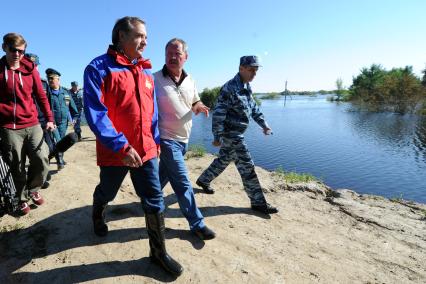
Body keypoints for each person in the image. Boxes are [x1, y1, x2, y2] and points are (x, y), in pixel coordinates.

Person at [83, 16, 183, 277]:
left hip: (147, 150)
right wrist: (121, 146)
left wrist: (156, 141)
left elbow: (151, 113)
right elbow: (96, 114)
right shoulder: (98, 69)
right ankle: (98, 210)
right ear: (121, 37)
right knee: (108, 190)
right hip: (117, 152)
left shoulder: (145, 71)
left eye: (146, 37)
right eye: (140, 36)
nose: (145, 41)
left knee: (154, 199)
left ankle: (158, 253)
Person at [196, 55, 278, 215]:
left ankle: (204, 180)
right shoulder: (229, 88)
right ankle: (258, 202)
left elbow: (253, 108)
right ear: (241, 68)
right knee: (247, 167)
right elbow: (218, 114)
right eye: (251, 70)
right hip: (232, 135)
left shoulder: (246, 87)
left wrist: (264, 125)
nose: (254, 73)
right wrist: (217, 137)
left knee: (224, 159)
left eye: (256, 70)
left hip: (237, 133)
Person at [154, 38, 216, 240]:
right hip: (167, 138)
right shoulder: (154, 79)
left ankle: (149, 197)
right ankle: (196, 223)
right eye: (169, 53)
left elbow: (194, 99)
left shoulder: (191, 80)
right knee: (182, 182)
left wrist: (198, 105)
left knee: (161, 176)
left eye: (177, 54)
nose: (172, 57)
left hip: (183, 140)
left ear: (185, 57)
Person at [0, 33, 55, 214]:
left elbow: (41, 96)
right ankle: (22, 198)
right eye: (13, 50)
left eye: (21, 51)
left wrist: (50, 119)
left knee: (42, 159)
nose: (17, 54)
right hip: (9, 127)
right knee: (16, 165)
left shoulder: (30, 70)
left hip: (32, 123)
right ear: (4, 48)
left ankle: (33, 189)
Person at [45, 68, 78, 170]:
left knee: (62, 142)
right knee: (56, 140)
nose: (49, 80)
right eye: (48, 78)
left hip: (64, 122)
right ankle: (59, 161)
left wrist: (75, 117)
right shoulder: (46, 93)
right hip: (52, 122)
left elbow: (72, 107)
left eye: (52, 78)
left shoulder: (65, 93)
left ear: (58, 79)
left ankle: (56, 158)